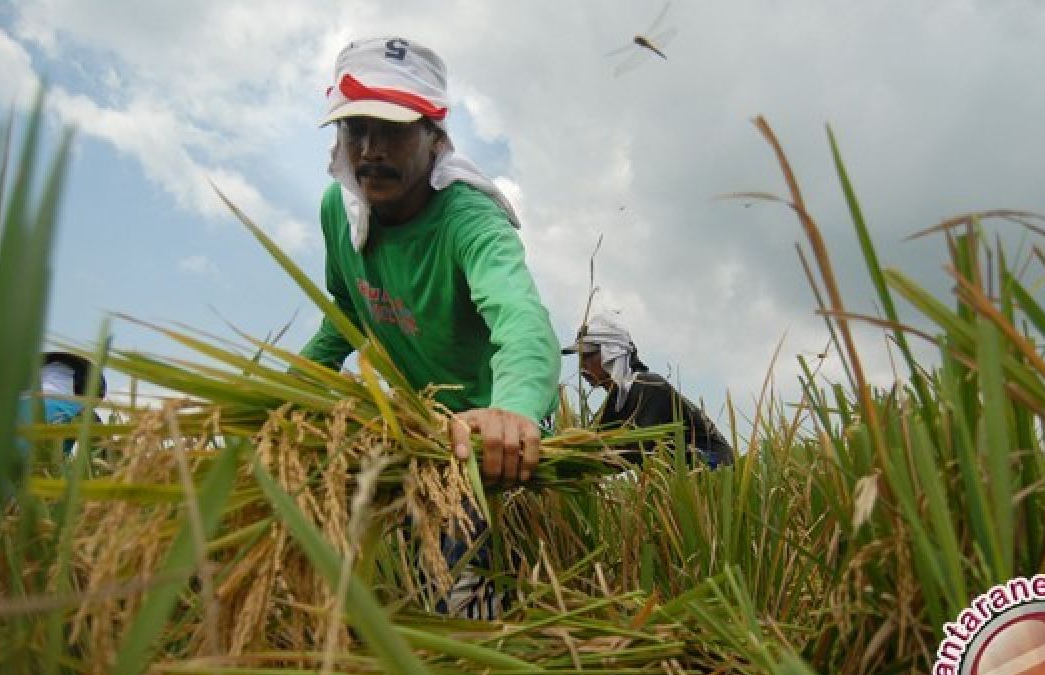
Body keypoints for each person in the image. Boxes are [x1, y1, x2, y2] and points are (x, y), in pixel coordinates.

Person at [299, 37, 561, 617]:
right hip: (422, 427)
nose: (370, 150)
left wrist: (512, 410)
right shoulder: (338, 215)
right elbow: (343, 317)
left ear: (435, 137)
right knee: (384, 587)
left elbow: (523, 321)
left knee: (466, 598)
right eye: (355, 131)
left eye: (392, 130)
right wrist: (282, 400)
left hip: (490, 431)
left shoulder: (470, 220)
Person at [563, 314, 734, 468]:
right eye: (580, 358)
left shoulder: (649, 386)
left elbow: (636, 451)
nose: (581, 366)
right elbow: (597, 445)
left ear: (612, 353)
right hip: (679, 474)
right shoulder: (615, 404)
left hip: (714, 466)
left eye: (588, 356)